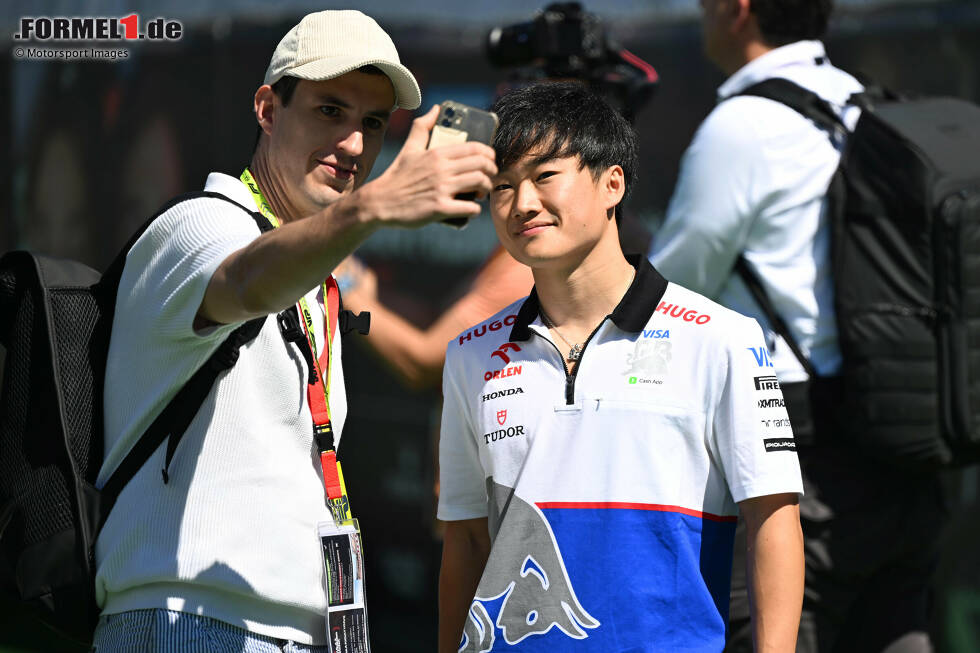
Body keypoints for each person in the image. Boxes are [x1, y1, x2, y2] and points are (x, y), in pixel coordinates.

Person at [93, 10, 497, 651]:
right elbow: (246, 282)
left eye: (371, 123)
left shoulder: (316, 275)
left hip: (311, 631)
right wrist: (374, 207)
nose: (357, 146)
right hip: (190, 622)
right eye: (330, 111)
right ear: (267, 109)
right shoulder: (202, 223)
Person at [437, 81, 805, 653]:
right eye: (503, 187)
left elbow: (773, 515)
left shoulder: (722, 338)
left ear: (614, 184)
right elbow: (464, 538)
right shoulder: (470, 353)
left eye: (544, 176)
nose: (522, 203)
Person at [647, 1, 944, 651]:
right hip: (899, 448)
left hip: (793, 456)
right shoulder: (866, 104)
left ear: (739, 9)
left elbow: (662, 291)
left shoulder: (742, 126)